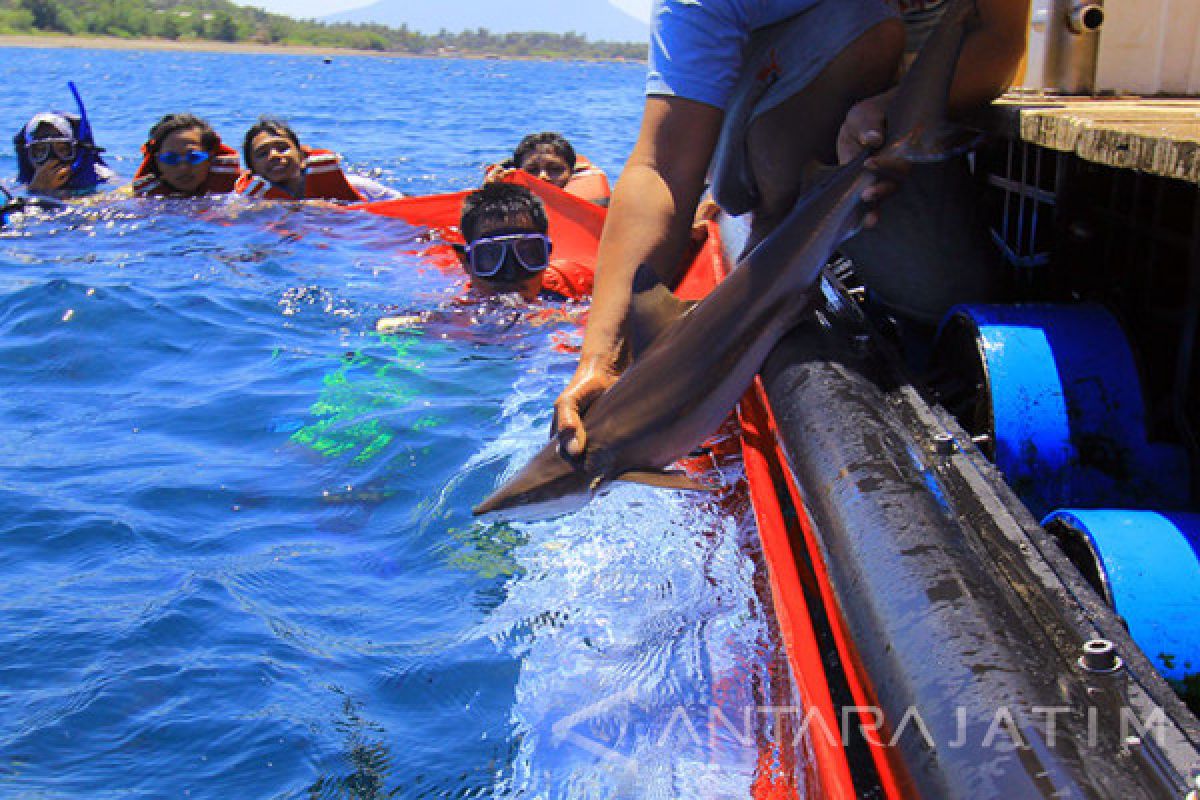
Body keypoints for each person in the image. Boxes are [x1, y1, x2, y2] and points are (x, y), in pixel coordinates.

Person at [552, 0, 1028, 458]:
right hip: (784, 84)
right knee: (862, 21)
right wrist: (601, 357)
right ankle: (776, 222)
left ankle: (826, 216)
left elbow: (999, 40)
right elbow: (663, 166)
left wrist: (893, 107)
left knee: (938, 291)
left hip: (896, 79)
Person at [235, 118, 398, 203]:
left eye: (283, 147)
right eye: (262, 154)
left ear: (302, 157)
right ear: (252, 169)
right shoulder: (249, 202)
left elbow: (406, 204)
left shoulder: (356, 185)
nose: (274, 155)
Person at [131, 113, 243, 197]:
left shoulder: (243, 189)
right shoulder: (135, 197)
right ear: (158, 162)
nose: (183, 167)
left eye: (194, 157)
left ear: (210, 158)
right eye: (171, 159)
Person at [485, 132, 611, 205]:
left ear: (572, 174)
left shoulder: (595, 206)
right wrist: (492, 193)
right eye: (532, 170)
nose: (543, 177)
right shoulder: (504, 208)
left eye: (555, 169)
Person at [12, 111, 113, 197]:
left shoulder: (103, 177)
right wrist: (35, 191)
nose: (52, 160)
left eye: (63, 149)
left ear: (77, 152)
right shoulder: (19, 187)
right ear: (28, 157)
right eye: (41, 151)